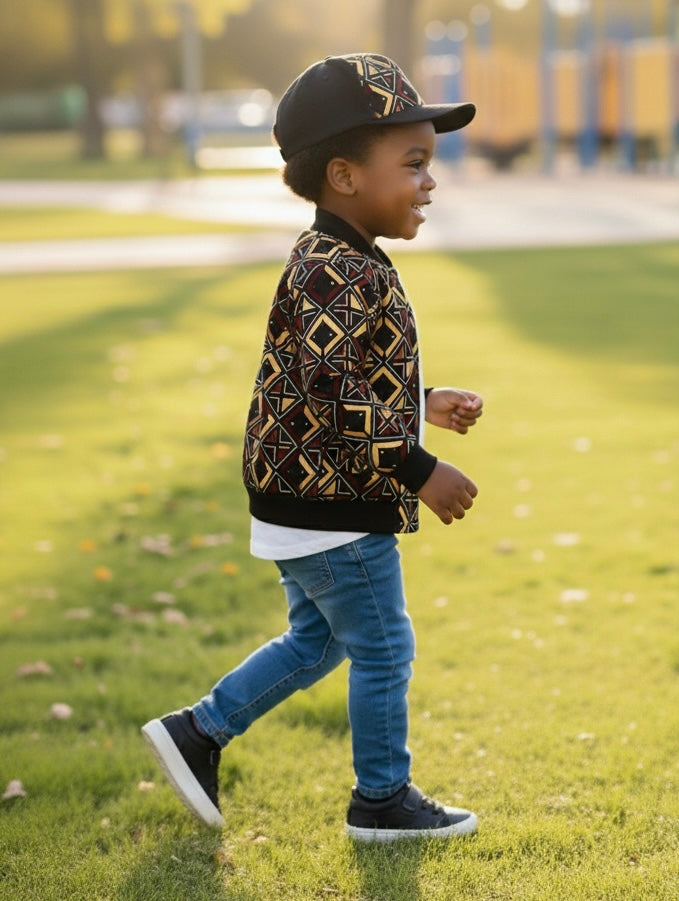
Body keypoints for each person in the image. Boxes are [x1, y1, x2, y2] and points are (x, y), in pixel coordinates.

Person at [142, 52, 483, 842]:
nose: (430, 181)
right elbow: (330, 397)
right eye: (413, 163)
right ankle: (381, 799)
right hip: (333, 504)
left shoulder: (341, 258)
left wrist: (423, 403)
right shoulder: (332, 268)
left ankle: (199, 731)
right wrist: (419, 467)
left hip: (308, 495)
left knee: (319, 639)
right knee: (384, 645)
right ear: (344, 174)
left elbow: (336, 375)